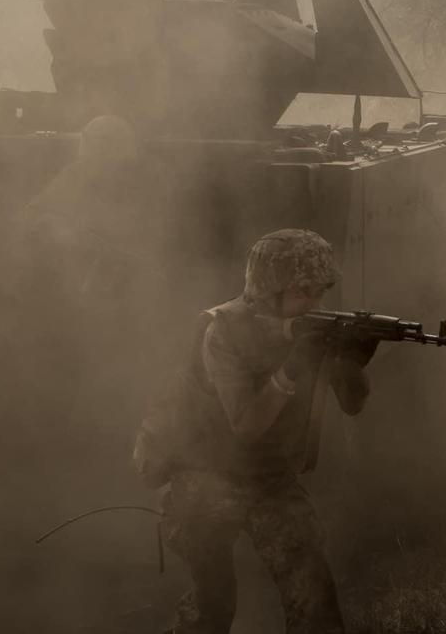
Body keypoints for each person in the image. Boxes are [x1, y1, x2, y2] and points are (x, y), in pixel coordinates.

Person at [132, 229, 377, 634]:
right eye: (304, 292)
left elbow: (354, 405)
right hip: (204, 478)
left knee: (314, 600)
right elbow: (246, 425)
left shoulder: (309, 331)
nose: (316, 304)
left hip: (270, 478)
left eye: (320, 292)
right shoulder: (223, 331)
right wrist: (290, 370)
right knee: (212, 608)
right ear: (269, 292)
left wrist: (354, 362)